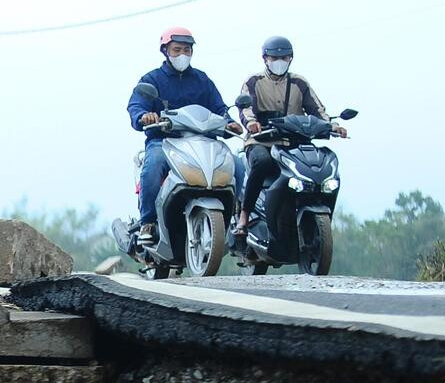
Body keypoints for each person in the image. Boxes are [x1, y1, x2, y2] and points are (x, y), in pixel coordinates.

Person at [125, 27, 238, 242]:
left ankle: (237, 220)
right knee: (153, 165)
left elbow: (219, 108)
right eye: (177, 50)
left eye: (187, 50)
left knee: (236, 165)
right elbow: (136, 106)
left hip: (203, 141)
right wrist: (144, 116)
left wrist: (230, 123)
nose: (182, 55)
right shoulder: (152, 80)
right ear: (165, 51)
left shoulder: (202, 80)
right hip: (165, 141)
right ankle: (147, 222)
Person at [233, 35, 344, 237]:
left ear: (290, 59)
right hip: (262, 141)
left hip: (293, 143)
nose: (279, 62)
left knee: (319, 166)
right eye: (274, 58)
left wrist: (332, 126)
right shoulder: (253, 82)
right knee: (262, 163)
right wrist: (251, 123)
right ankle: (245, 215)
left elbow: (317, 110)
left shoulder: (299, 83)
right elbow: (246, 109)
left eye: (284, 58)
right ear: (265, 58)